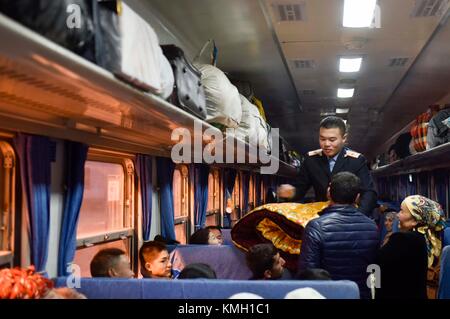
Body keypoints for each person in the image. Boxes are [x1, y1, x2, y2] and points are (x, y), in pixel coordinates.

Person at [298, 172, 379, 299]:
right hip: (359, 294)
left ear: (329, 193)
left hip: (327, 294)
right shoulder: (372, 227)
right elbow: (374, 269)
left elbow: (307, 271)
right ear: (358, 197)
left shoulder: (316, 226)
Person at [277, 116, 377, 216]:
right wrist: (291, 192)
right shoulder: (311, 160)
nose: (326, 144)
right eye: (322, 139)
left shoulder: (356, 161)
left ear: (344, 138)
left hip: (349, 215)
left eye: (332, 140)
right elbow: (300, 188)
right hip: (321, 216)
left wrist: (358, 217)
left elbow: (369, 193)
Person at [376, 195, 447, 299]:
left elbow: (376, 265)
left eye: (402, 211)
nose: (398, 215)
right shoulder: (428, 240)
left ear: (415, 220)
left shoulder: (402, 240)